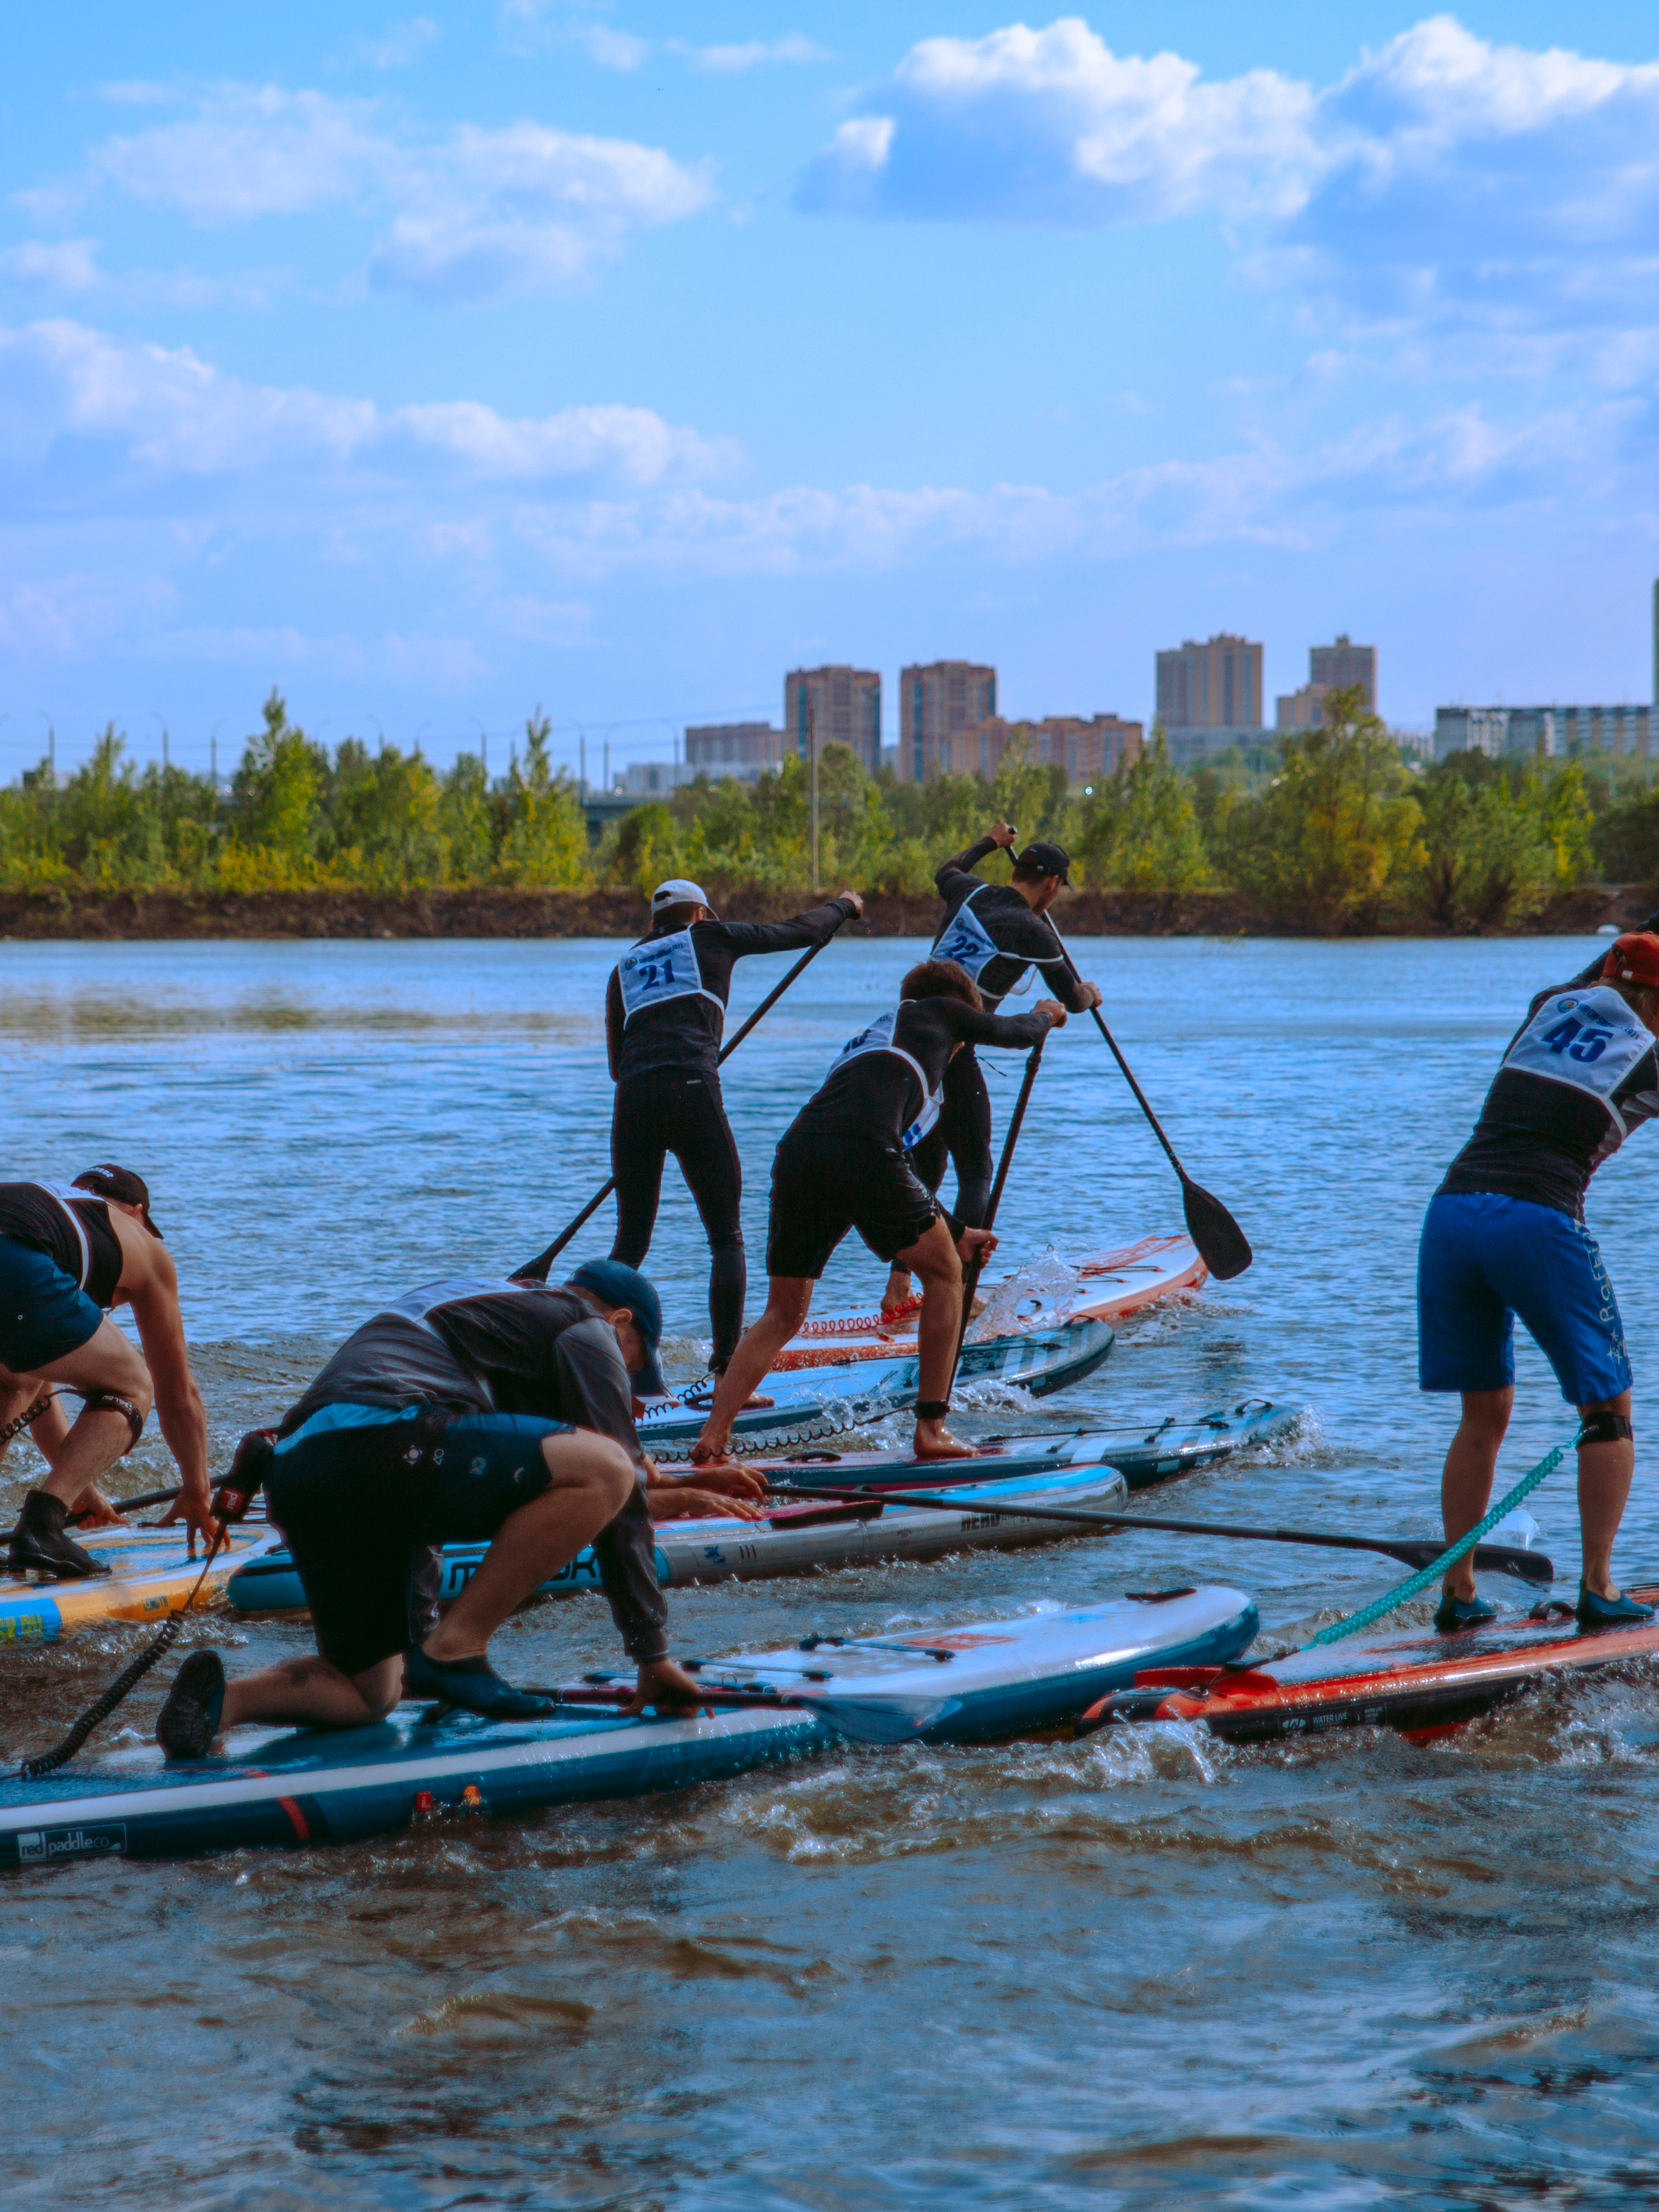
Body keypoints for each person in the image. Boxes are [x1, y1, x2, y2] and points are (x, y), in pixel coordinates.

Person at [154, 1259, 766, 1758]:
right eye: (631, 1369)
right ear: (622, 1320)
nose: (626, 1392)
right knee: (605, 1467)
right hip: (384, 1448)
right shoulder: (588, 1325)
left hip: (301, 1470)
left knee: (371, 1691)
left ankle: (222, 1703)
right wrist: (651, 1654)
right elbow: (618, 1481)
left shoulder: (491, 1309)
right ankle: (459, 1647)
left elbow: (427, 1503)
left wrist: (418, 1641)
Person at [690, 959, 1067, 1469]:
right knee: (946, 1275)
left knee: (784, 1312)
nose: (960, 1047)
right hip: (861, 1149)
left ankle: (714, 1437)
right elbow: (1014, 1031)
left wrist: (954, 1229)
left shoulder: (877, 1037)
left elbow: (883, 1167)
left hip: (800, 1152)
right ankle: (931, 1428)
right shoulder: (940, 1012)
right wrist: (1045, 1013)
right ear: (958, 1009)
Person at [1418, 928, 1659, 1632]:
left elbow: (1593, 974)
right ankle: (1599, 1586)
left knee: (1482, 1412)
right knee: (1607, 1410)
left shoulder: (1545, 1007)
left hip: (1451, 1214)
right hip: (1535, 1220)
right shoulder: (1650, 1059)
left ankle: (1458, 1595)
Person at [605, 876, 864, 1390]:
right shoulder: (712, 937)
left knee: (630, 1243)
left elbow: (618, 1065)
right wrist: (843, 906)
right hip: (692, 1090)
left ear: (655, 921)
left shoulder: (623, 968)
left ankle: (590, 1348)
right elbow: (793, 932)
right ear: (700, 914)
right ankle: (725, 1368)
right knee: (725, 1236)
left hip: (632, 1101)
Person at [881, 827, 1100, 1317]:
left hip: (907, 1040)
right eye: (1059, 889)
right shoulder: (1035, 930)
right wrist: (1090, 992)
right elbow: (1073, 1001)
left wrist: (987, 841)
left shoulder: (972, 890)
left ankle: (899, 1286)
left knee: (929, 1168)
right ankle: (957, 1288)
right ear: (1052, 885)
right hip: (953, 1052)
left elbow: (946, 871)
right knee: (976, 1169)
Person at [0, 1166, 212, 1577]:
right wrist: (197, 1490)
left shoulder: (43, 1203)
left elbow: (38, 1387)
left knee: (15, 1383)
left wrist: (79, 1488)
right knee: (134, 1385)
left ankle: (44, 1523)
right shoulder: (143, 1245)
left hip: (15, 1260)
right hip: (14, 1267)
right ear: (136, 1214)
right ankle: (43, 1530)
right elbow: (178, 1395)